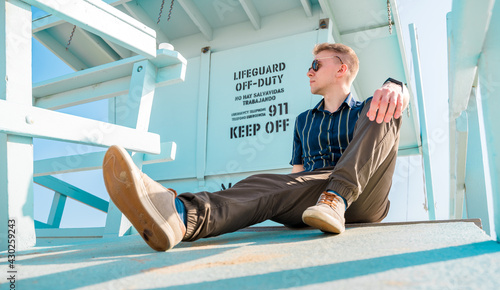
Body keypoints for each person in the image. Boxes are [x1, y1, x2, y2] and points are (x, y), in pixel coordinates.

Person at [102, 43, 409, 252]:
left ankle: (336, 197)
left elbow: (390, 105)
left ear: (341, 69)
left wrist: (396, 87)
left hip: (365, 197)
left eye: (316, 65)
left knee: (382, 106)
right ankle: (179, 216)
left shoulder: (366, 109)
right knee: (262, 184)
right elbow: (295, 177)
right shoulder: (303, 121)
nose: (309, 72)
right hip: (314, 200)